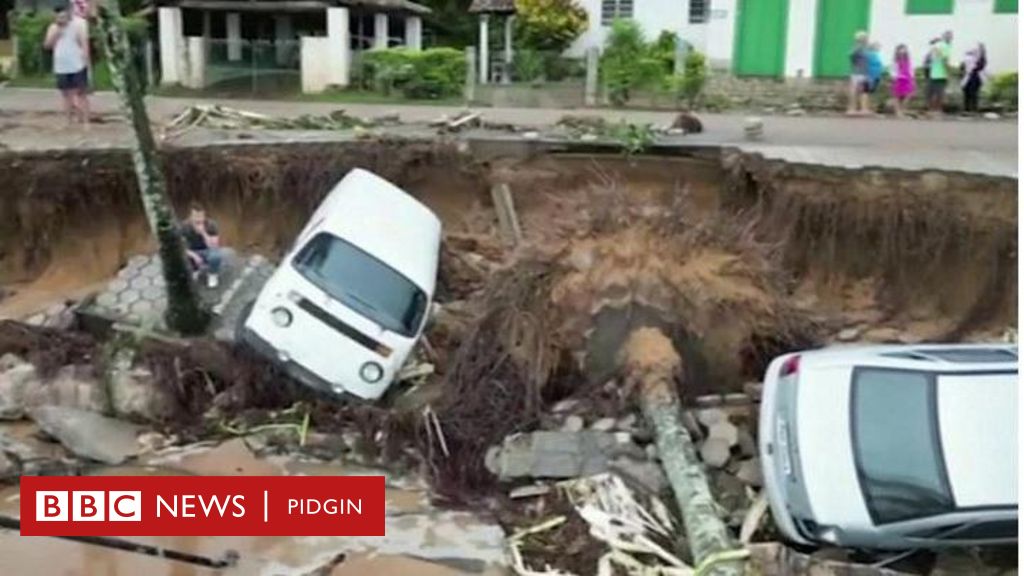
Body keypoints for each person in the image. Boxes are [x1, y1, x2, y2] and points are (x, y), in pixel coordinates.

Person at [43, 5, 90, 126]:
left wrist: (85, 59)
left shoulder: (77, 26)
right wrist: (57, 32)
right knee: (66, 94)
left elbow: (83, 42)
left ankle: (85, 121)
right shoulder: (53, 28)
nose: (62, 19)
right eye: (59, 16)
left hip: (77, 64)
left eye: (64, 16)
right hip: (61, 66)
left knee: (81, 93)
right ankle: (68, 121)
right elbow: (47, 45)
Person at [181, 204, 223, 288]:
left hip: (207, 250)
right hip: (192, 251)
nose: (198, 219)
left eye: (201, 216)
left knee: (216, 256)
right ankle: (194, 270)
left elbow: (214, 245)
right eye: (195, 216)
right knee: (179, 256)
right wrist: (194, 256)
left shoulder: (211, 225)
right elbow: (180, 246)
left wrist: (203, 233)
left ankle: (212, 274)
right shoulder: (184, 226)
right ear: (190, 217)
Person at [927, 30, 953, 116]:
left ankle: (931, 110)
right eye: (949, 36)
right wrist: (948, 73)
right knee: (940, 93)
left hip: (933, 72)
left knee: (932, 92)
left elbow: (930, 57)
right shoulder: (945, 46)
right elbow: (945, 61)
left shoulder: (937, 45)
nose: (950, 38)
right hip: (941, 73)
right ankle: (938, 110)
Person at [847, 31, 871, 115]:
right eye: (864, 38)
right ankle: (851, 109)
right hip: (857, 72)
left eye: (865, 38)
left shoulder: (865, 48)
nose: (866, 39)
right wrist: (855, 64)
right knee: (854, 90)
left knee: (863, 91)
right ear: (859, 39)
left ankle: (863, 109)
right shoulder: (858, 47)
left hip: (864, 72)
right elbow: (851, 55)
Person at [960, 43, 987, 114]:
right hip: (968, 77)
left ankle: (973, 109)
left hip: (976, 77)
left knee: (973, 93)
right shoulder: (967, 58)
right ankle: (967, 109)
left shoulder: (982, 58)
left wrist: (972, 69)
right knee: (967, 92)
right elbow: (962, 67)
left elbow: (980, 67)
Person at [891, 44, 916, 117]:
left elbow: (911, 70)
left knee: (909, 95)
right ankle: (898, 112)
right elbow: (893, 70)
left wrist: (913, 79)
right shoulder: (895, 60)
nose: (902, 51)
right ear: (897, 51)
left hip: (908, 79)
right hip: (898, 79)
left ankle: (902, 110)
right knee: (897, 96)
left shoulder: (908, 60)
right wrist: (896, 77)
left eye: (904, 49)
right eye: (901, 49)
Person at [866, 42, 884, 111]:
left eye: (879, 46)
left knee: (873, 92)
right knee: (868, 93)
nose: (879, 48)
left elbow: (879, 65)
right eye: (877, 46)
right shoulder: (869, 54)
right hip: (870, 75)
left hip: (877, 76)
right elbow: (867, 65)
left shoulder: (877, 55)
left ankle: (871, 108)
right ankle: (868, 108)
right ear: (873, 47)